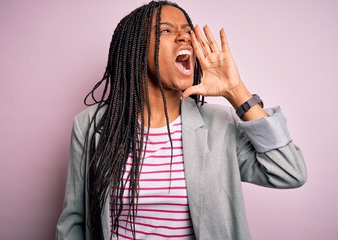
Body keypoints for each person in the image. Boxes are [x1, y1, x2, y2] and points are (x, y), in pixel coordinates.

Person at [56, 1, 307, 239]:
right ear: (136, 49)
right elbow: (74, 221)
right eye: (166, 30)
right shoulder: (90, 125)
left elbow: (290, 172)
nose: (184, 36)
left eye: (188, 31)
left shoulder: (219, 124)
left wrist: (236, 91)